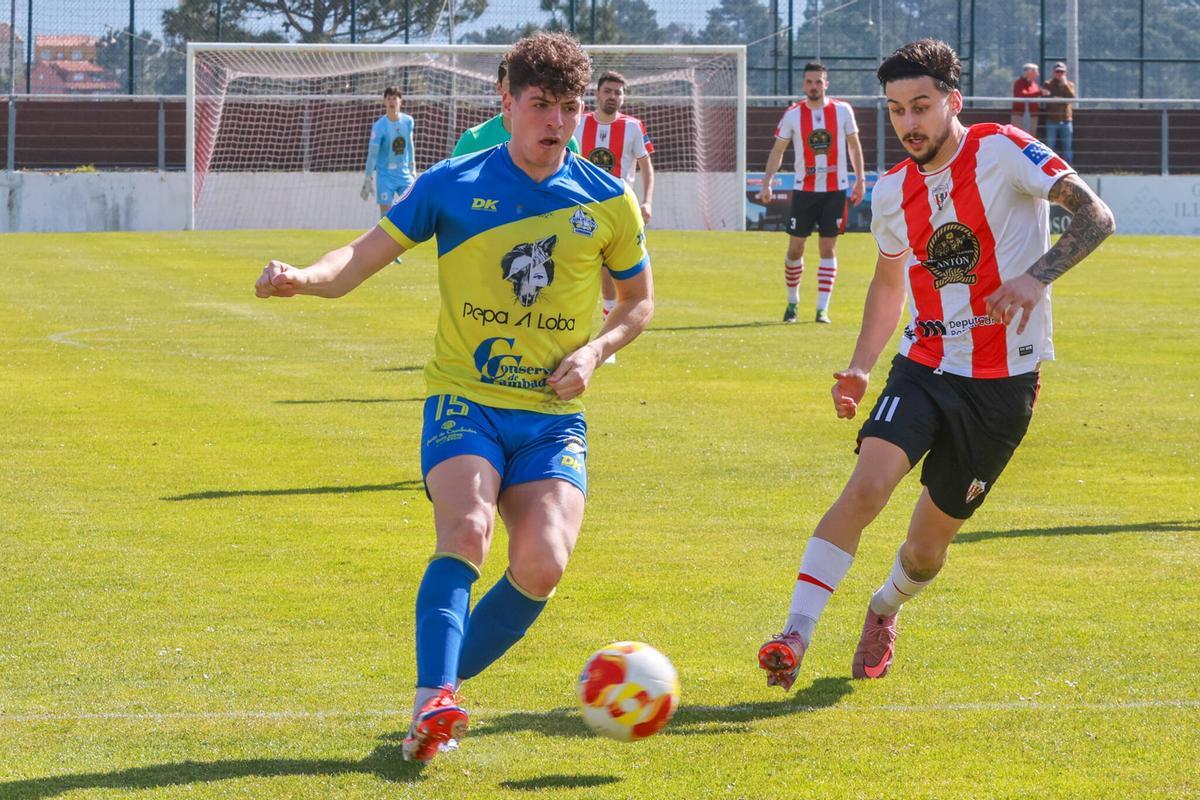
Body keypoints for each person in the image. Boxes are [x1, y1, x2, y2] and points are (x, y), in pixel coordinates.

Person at [256, 32, 654, 762]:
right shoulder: (450, 182)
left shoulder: (609, 200)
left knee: (542, 564)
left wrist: (597, 350)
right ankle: (433, 700)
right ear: (506, 103)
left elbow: (638, 303)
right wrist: (303, 278)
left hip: (551, 417)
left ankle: (441, 680)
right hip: (463, 401)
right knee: (467, 531)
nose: (557, 123)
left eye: (568, 108)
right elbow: (358, 258)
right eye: (540, 105)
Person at [757, 38, 1114, 689]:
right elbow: (889, 285)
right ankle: (795, 633)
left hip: (1004, 386)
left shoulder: (1002, 148)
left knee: (925, 550)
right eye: (896, 111)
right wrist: (862, 367)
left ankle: (884, 608)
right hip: (925, 364)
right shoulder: (893, 192)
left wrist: (1036, 278)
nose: (909, 123)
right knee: (865, 489)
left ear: (953, 100)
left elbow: (1096, 215)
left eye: (921, 106)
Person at [757, 62, 865, 325]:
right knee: (795, 248)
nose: (814, 86)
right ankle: (792, 303)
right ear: (803, 85)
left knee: (827, 247)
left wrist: (860, 179)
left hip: (835, 190)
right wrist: (767, 181)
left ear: (826, 84)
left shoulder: (842, 111)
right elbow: (778, 150)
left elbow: (854, 146)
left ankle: (821, 310)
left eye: (818, 81)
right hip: (804, 190)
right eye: (809, 82)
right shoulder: (793, 114)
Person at [576, 70, 656, 362]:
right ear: (597, 93)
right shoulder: (580, 123)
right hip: (583, 206)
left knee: (616, 271)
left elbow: (647, 167)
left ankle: (608, 338)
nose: (613, 96)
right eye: (608, 91)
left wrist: (647, 201)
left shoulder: (633, 127)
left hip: (620, 208)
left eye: (618, 92)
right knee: (584, 269)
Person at [452, 60, 581, 157]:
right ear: (499, 87)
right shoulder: (474, 139)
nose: (518, 90)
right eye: (512, 84)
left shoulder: (565, 142)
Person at [361, 86, 417, 217]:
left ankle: (405, 237)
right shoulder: (379, 126)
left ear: (400, 101)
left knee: (411, 208)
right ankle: (384, 238)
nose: (392, 101)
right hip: (385, 176)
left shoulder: (408, 121)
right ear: (384, 102)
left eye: (395, 98)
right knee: (386, 215)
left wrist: (412, 168)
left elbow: (410, 145)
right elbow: (373, 153)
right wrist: (368, 177)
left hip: (404, 175)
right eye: (389, 98)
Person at [1042, 62, 1076, 164]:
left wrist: (1065, 85)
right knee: (1050, 146)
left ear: (1065, 73)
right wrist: (1061, 99)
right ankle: (1049, 168)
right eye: (1057, 71)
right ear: (1053, 72)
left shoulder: (1070, 84)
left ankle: (1069, 168)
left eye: (1062, 71)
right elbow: (1047, 98)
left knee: (1067, 147)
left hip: (1066, 120)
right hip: (1052, 120)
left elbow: (1071, 98)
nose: (1059, 74)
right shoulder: (1048, 84)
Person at [1010, 63, 1044, 134]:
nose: (1037, 74)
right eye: (1036, 72)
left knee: (1031, 137)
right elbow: (1022, 95)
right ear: (1029, 72)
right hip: (1019, 116)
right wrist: (1039, 93)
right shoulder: (1019, 83)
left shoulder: (1034, 83)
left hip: (1033, 115)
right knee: (1019, 136)